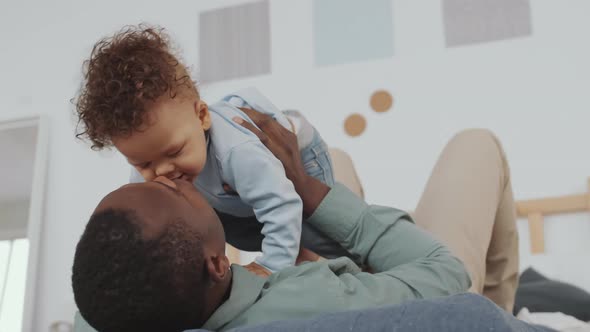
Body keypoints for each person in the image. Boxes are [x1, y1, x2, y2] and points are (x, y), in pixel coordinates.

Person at [72, 108, 520, 332]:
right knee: (476, 144)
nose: (173, 177)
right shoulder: (312, 297)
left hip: (317, 276)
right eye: (177, 193)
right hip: (419, 273)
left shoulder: (127, 306)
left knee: (338, 159)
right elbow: (445, 275)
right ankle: (506, 311)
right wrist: (310, 191)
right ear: (216, 263)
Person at [73, 25, 345, 276]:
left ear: (202, 116)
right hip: (233, 191)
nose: (162, 171)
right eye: (143, 164)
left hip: (300, 153)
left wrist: (269, 267)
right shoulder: (157, 161)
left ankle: (307, 256)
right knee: (238, 228)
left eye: (174, 152)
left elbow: (281, 205)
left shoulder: (236, 151)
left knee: (319, 227)